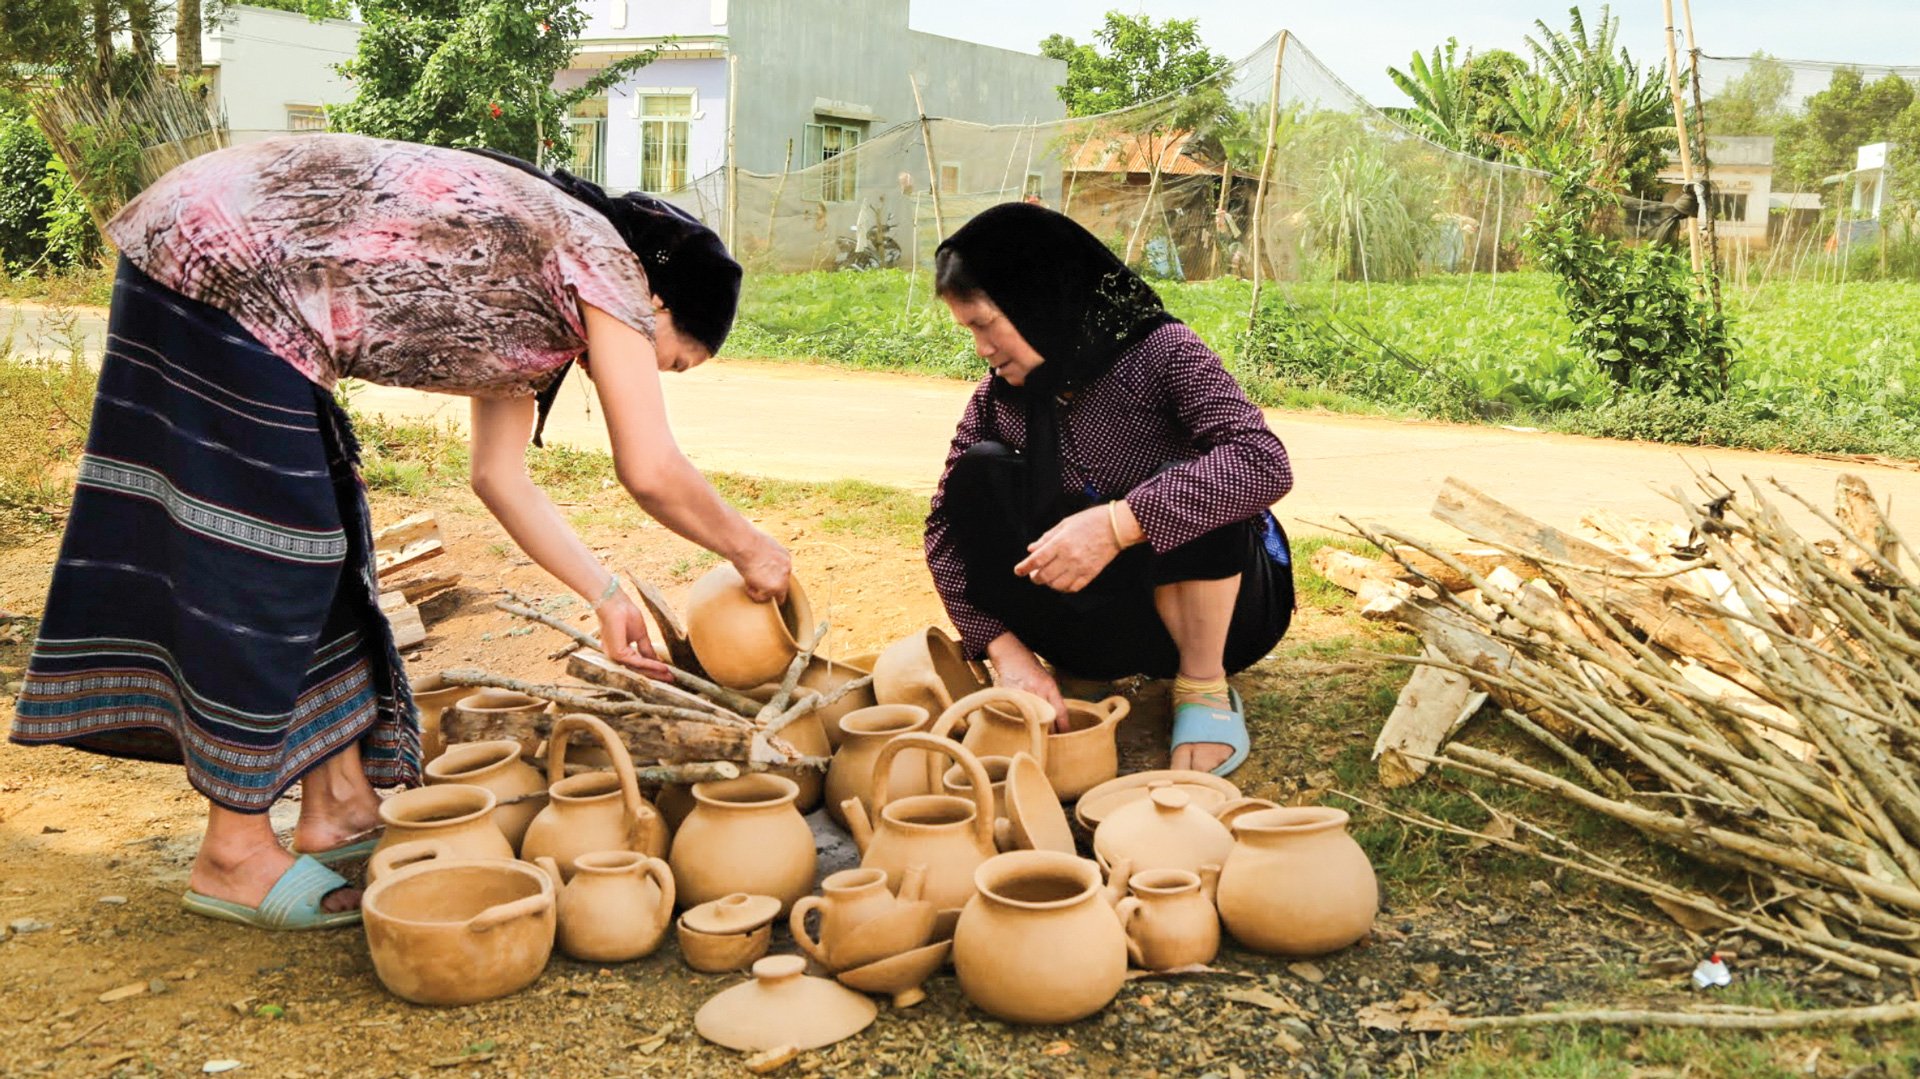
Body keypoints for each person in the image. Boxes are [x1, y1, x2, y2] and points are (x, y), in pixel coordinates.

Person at [8, 133, 791, 929]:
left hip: (246, 269)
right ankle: (233, 854)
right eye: (677, 361)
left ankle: (338, 806)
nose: (659, 374)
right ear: (656, 304)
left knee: (330, 546)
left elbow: (499, 478)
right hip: (227, 257)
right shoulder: (608, 264)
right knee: (267, 554)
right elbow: (651, 466)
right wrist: (752, 550)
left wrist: (608, 594)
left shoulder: (547, 297)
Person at [923, 203, 1295, 777]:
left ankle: (1202, 688)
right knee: (980, 473)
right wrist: (1005, 651)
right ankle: (1082, 665)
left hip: (1228, 616)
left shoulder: (1163, 352)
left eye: (983, 324)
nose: (981, 348)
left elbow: (1261, 462)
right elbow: (944, 529)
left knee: (1205, 473)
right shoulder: (999, 397)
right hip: (1099, 616)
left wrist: (1119, 523)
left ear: (1036, 299)